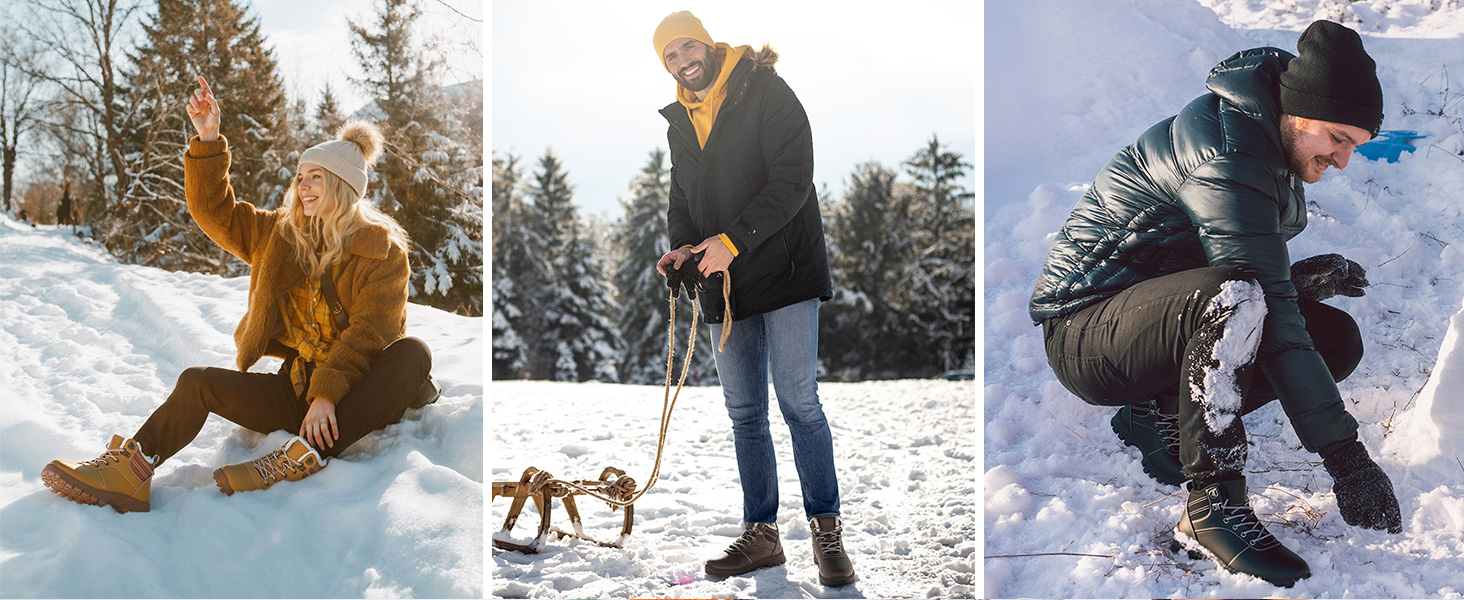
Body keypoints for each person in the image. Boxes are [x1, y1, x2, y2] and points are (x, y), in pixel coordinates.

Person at [1030, 20, 1404, 587]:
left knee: (1333, 339)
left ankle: (1156, 418)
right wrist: (1346, 459)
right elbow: (1242, 290)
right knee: (1241, 300)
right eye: (1337, 138)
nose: (1344, 160)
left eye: (1355, 145)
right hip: (1085, 332)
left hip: (1156, 317)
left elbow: (1231, 272)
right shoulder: (1228, 150)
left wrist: (1292, 284)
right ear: (1300, 111)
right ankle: (1211, 511)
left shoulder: (1266, 136)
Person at [40, 76, 432, 513]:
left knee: (412, 352)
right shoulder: (280, 236)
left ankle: (305, 455)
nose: (302, 186)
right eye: (300, 176)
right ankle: (130, 471)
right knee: (197, 382)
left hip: (359, 395)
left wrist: (327, 395)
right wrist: (208, 139)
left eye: (315, 177)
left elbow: (370, 333)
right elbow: (216, 212)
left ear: (343, 187)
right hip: (298, 392)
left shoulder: (382, 254)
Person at [650, 11, 853, 587]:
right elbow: (681, 199)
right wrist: (682, 247)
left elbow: (794, 177)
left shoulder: (763, 88)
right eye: (670, 55)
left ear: (708, 44)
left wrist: (734, 239)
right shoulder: (679, 120)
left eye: (688, 46)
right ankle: (762, 534)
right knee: (744, 414)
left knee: (798, 401)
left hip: (785, 269)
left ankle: (826, 531)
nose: (683, 60)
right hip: (723, 283)